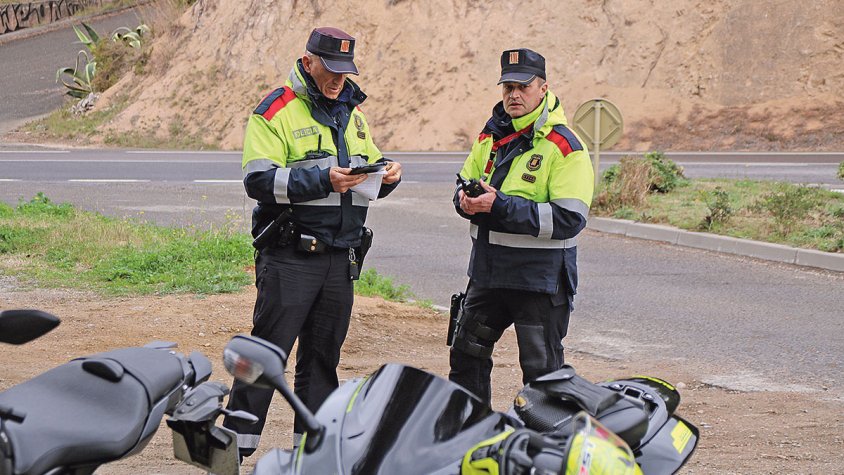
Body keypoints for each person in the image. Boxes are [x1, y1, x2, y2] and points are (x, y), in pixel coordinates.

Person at [224, 26, 402, 457]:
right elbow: (259, 179)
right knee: (264, 359)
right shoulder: (276, 110)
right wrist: (322, 178)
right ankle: (230, 452)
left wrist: (388, 176)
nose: (339, 78)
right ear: (308, 63)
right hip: (290, 256)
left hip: (340, 259)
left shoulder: (352, 114)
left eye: (346, 70)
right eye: (331, 68)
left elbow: (364, 177)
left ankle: (313, 456)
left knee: (322, 363)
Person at [449, 48, 594, 403]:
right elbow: (464, 184)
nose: (513, 95)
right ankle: (472, 443)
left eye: (522, 87)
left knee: (542, 375)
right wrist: (465, 202)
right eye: (507, 87)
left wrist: (499, 206)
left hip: (538, 281)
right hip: (488, 274)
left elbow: (569, 219)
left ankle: (546, 452)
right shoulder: (490, 137)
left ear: (543, 89)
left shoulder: (564, 146)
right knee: (465, 357)